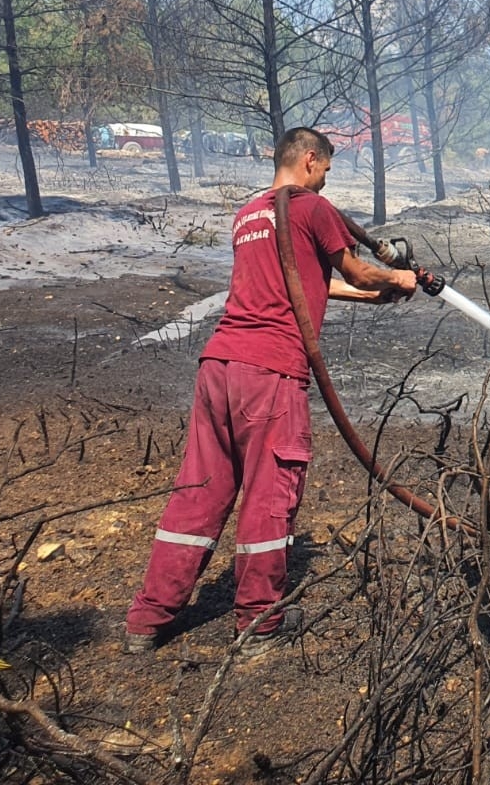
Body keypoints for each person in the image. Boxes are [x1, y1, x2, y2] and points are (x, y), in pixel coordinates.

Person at [123, 127, 419, 655]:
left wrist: (371, 299)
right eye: (326, 170)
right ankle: (259, 621)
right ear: (310, 160)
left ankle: (147, 620)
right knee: (269, 494)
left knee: (199, 492)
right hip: (270, 375)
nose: (326, 182)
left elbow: (305, 280)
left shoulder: (249, 214)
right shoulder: (310, 208)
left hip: (219, 367)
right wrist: (396, 281)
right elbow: (352, 268)